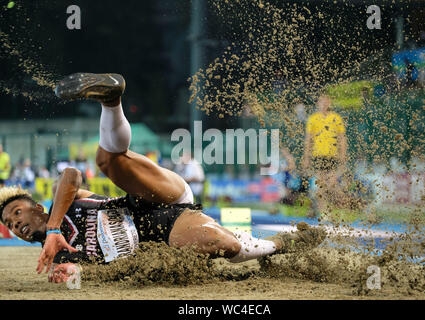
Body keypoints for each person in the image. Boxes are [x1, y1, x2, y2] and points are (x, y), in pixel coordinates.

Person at [0, 72, 326, 284]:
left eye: (16, 212)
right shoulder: (53, 258)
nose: (16, 224)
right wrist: (74, 272)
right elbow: (87, 276)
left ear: (37, 209)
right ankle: (281, 244)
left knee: (107, 161)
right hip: (157, 238)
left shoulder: (62, 204)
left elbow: (69, 175)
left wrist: (56, 227)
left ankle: (111, 99)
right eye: (10, 224)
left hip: (151, 206)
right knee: (223, 244)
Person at [302, 93, 347, 217]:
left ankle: (319, 204)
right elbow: (308, 139)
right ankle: (323, 213)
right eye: (321, 101)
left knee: (332, 184)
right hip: (318, 155)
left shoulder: (336, 118)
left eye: (326, 101)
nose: (324, 104)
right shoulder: (313, 119)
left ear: (329, 103)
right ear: (318, 104)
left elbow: (341, 138)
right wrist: (306, 157)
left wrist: (343, 155)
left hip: (332, 155)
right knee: (321, 185)